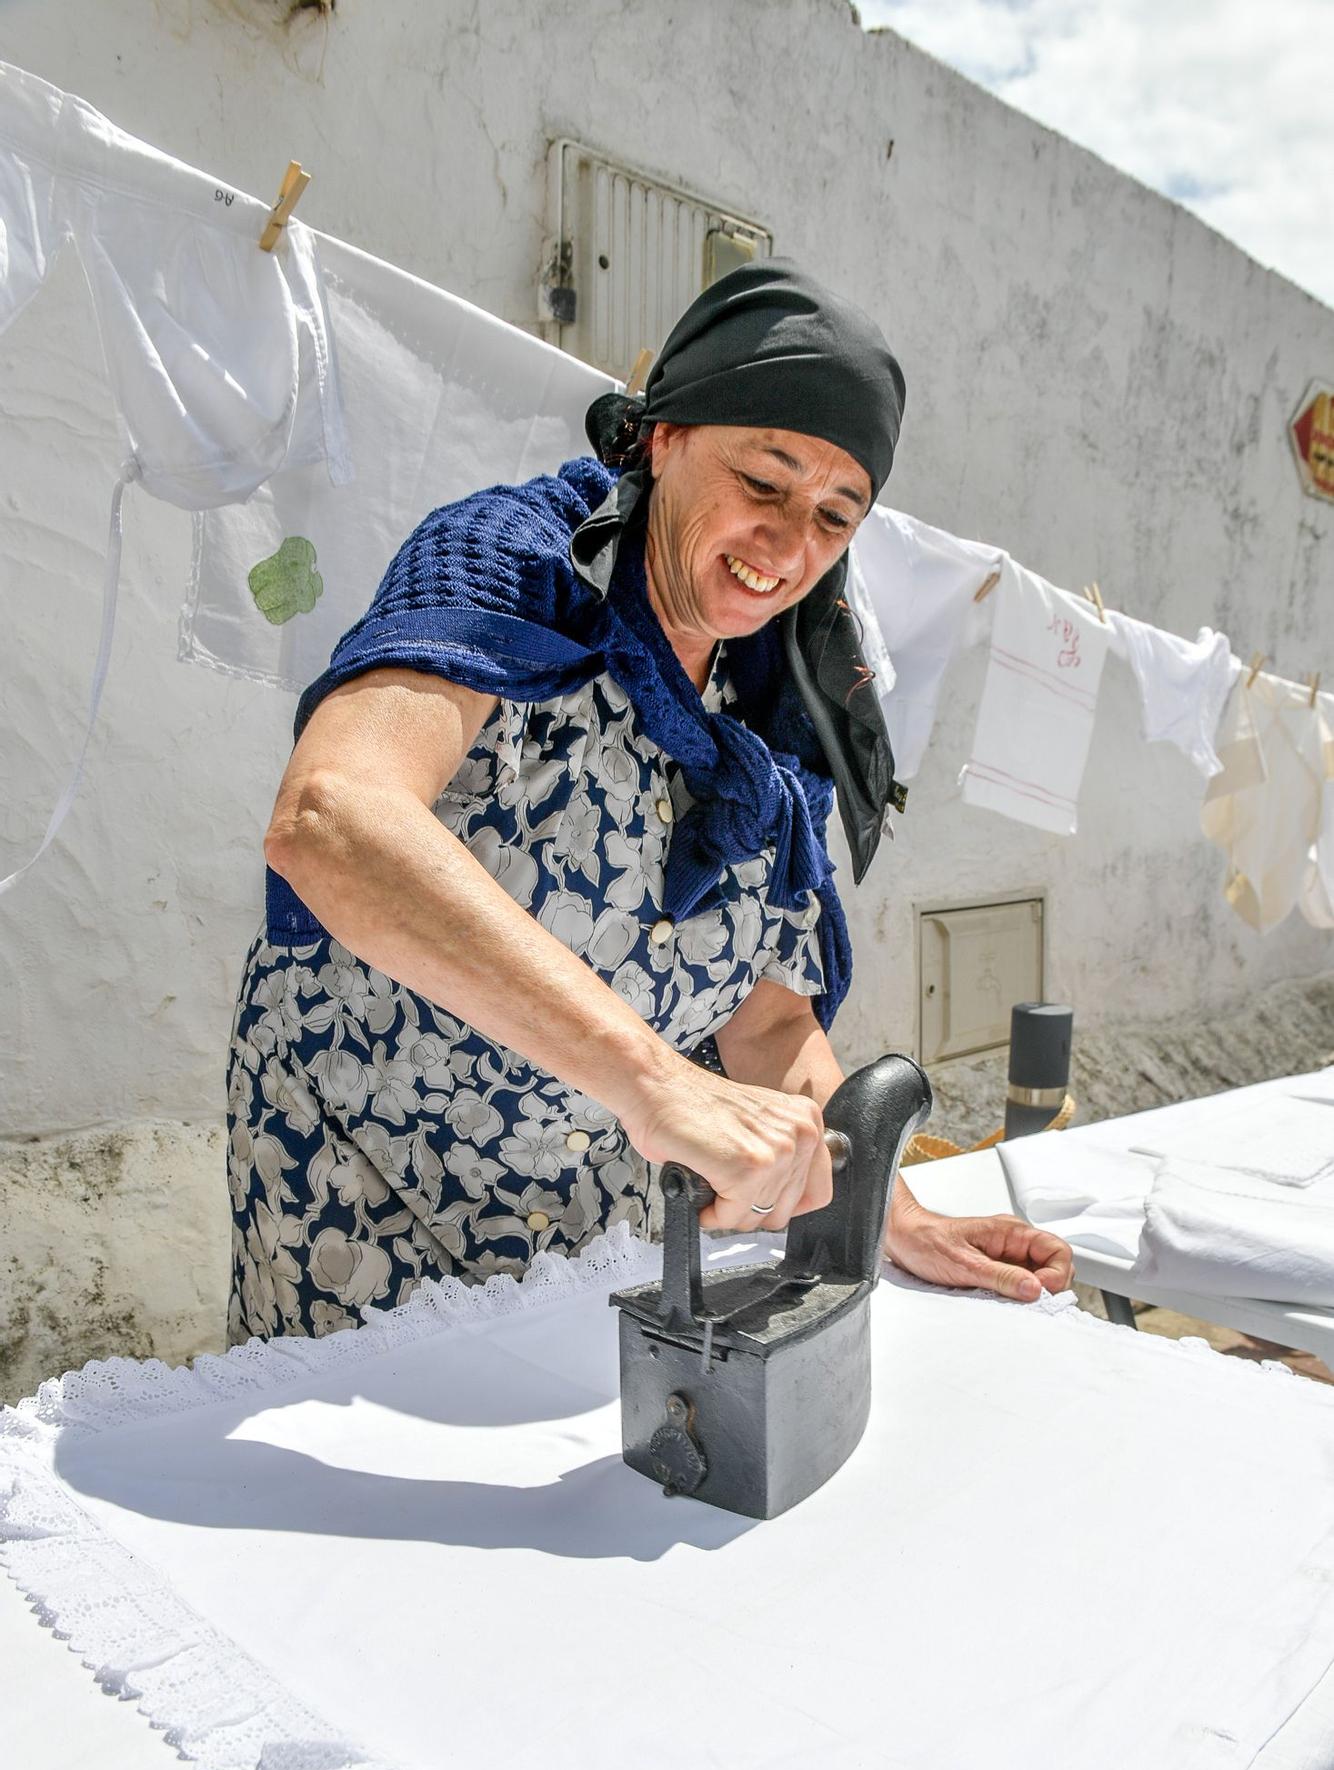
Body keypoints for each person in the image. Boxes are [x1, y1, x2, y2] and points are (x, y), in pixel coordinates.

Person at [227, 257, 1073, 1342]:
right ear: (663, 436)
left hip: (598, 1223)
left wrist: (887, 1208)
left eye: (832, 514)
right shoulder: (512, 565)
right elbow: (331, 819)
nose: (787, 545)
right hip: (367, 1188)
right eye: (761, 484)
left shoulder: (779, 692)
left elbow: (765, 1017)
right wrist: (658, 1084)